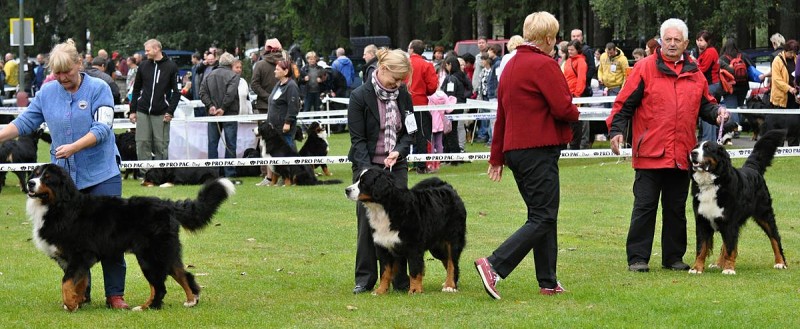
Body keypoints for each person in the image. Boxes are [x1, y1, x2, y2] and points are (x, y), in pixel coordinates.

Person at [0, 39, 129, 309]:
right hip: (65, 183)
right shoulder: (47, 92)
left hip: (102, 175)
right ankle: (81, 293)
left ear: (79, 64)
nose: (62, 78)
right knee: (71, 241)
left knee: (110, 237)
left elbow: (104, 127)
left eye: (67, 72)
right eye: (57, 73)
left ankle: (115, 295)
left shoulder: (99, 89)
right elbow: (25, 121)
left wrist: (74, 146)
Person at [606, 18, 728, 273]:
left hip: (682, 154)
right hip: (650, 152)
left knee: (676, 209)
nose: (672, 44)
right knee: (644, 207)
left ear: (685, 42)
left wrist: (717, 112)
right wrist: (616, 130)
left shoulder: (695, 72)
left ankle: (673, 258)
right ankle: (638, 258)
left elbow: (705, 104)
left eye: (677, 40)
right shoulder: (643, 68)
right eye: (668, 39)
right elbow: (624, 104)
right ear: (661, 41)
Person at [474, 11, 579, 300]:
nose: (556, 41)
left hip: (516, 151)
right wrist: (575, 113)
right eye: (555, 36)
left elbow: (502, 116)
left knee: (542, 215)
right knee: (544, 215)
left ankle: (548, 280)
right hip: (538, 149)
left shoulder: (510, 65)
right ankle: (494, 264)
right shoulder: (544, 65)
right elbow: (562, 107)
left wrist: (496, 156)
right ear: (548, 38)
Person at [348, 48, 414, 294]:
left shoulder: (403, 95)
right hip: (368, 166)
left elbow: (410, 132)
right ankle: (364, 279)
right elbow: (358, 141)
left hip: (395, 167)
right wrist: (368, 174)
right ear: (383, 69)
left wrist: (399, 150)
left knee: (400, 222)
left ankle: (399, 279)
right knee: (368, 223)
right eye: (395, 78)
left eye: (401, 81)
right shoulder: (359, 96)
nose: (398, 84)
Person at [129, 39, 181, 177]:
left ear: (157, 49)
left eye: (148, 50)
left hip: (162, 112)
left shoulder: (171, 67)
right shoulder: (143, 66)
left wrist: (170, 111)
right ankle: (145, 174)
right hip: (142, 110)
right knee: (142, 142)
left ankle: (160, 174)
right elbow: (136, 89)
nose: (145, 53)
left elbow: (177, 92)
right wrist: (133, 110)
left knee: (161, 144)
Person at [200, 52, 240, 178]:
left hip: (212, 114)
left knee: (212, 144)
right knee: (230, 144)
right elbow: (230, 94)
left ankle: (212, 173)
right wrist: (222, 108)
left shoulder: (209, 75)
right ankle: (230, 173)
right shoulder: (233, 75)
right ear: (231, 63)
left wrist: (211, 106)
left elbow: (202, 92)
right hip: (230, 113)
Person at [407, 39, 439, 174]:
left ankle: (403, 163)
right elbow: (432, 86)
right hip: (419, 104)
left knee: (404, 133)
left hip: (403, 103)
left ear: (411, 49)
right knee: (422, 134)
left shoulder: (404, 63)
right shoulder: (427, 65)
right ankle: (421, 165)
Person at [765, 39, 800, 146]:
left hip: (793, 100)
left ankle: (794, 149)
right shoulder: (777, 60)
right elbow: (776, 80)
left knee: (794, 127)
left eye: (794, 52)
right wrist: (789, 88)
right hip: (780, 100)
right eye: (790, 52)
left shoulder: (797, 59)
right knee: (780, 128)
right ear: (785, 50)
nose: (792, 54)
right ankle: (779, 150)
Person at [694, 30, 722, 142]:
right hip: (708, 85)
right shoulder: (705, 52)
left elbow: (703, 69)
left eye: (701, 40)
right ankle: (705, 139)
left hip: (711, 85)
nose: (699, 43)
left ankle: (708, 140)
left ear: (707, 41)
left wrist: (693, 65)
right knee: (704, 117)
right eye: (697, 40)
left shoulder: (710, 52)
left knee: (708, 118)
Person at [267, 60, 300, 151]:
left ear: (285, 71)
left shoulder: (291, 86)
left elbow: (293, 106)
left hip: (284, 128)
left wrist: (288, 122)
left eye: (277, 69)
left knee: (289, 153)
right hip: (275, 128)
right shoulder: (278, 84)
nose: (274, 71)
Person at [563, 40, 587, 150]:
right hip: (567, 94)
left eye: (572, 50)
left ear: (578, 50)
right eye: (568, 50)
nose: (570, 52)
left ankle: (575, 146)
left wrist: (577, 95)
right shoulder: (568, 61)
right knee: (569, 121)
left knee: (575, 122)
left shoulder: (581, 62)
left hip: (575, 95)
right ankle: (570, 143)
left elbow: (581, 79)